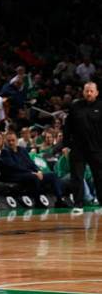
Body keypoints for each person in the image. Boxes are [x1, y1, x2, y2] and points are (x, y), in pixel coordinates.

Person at [63, 82, 102, 214]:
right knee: (77, 177)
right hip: (78, 148)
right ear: (83, 92)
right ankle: (78, 204)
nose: (89, 93)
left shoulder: (100, 106)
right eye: (87, 91)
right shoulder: (75, 106)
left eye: (91, 91)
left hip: (97, 149)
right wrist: (65, 145)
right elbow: (67, 127)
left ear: (97, 92)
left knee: (99, 176)